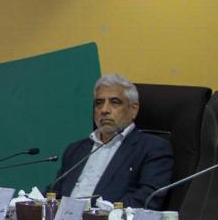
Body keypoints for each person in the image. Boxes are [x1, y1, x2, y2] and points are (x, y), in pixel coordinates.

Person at [51, 73, 173, 209]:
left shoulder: (152, 148)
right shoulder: (75, 150)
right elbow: (54, 193)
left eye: (115, 102)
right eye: (99, 103)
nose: (104, 110)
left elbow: (148, 199)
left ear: (133, 109)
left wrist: (97, 215)